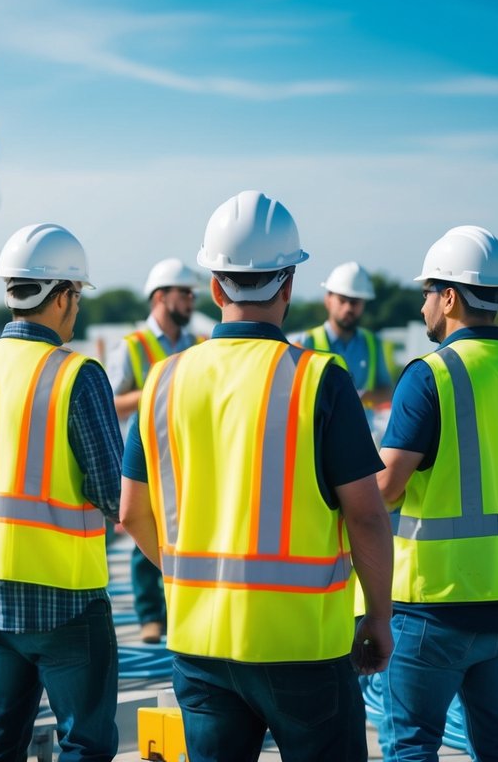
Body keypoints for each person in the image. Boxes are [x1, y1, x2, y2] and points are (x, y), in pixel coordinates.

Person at [120, 191, 394, 762]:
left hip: (199, 643)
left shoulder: (163, 383)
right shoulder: (321, 380)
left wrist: (189, 578)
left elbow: (130, 514)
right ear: (289, 286)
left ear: (215, 288)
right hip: (303, 646)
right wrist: (379, 617)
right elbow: (366, 515)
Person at [375, 225, 498, 762]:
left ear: (450, 296)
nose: (422, 308)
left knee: (412, 746)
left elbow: (388, 488)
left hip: (434, 607)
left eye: (426, 294)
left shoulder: (429, 376)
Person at [0, 223, 123, 762]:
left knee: (0, 737)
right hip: (63, 597)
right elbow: (114, 493)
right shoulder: (75, 374)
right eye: (77, 297)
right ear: (62, 295)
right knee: (84, 743)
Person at [106, 257, 203, 644]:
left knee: (187, 533)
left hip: (187, 454)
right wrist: (156, 391)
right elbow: (110, 403)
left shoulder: (196, 345)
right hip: (146, 454)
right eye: (185, 294)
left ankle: (181, 607)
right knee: (144, 531)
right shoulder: (132, 347)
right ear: (160, 297)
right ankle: (151, 617)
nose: (192, 301)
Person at [295, 261, 394, 407]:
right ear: (328, 300)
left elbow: (387, 391)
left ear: (363, 304)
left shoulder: (373, 343)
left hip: (361, 429)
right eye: (342, 300)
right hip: (318, 429)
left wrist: (362, 397)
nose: (348, 307)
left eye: (354, 302)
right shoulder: (304, 342)